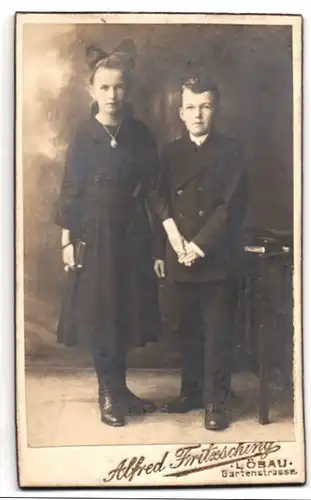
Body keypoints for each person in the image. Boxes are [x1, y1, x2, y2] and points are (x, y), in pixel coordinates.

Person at [55, 40, 162, 427]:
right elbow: (71, 189)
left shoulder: (140, 134)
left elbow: (153, 186)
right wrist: (67, 239)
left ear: (127, 90)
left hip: (132, 231)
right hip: (95, 234)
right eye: (104, 87)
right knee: (102, 313)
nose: (112, 95)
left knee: (125, 310)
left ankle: (121, 388)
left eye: (118, 87)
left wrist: (159, 239)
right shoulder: (84, 136)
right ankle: (106, 393)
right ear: (92, 90)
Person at [153, 74, 248, 430]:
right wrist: (172, 241)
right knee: (185, 326)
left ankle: (215, 402)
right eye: (191, 107)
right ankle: (191, 391)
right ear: (180, 113)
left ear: (216, 109)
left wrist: (198, 245)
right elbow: (158, 198)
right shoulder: (170, 153)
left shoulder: (232, 151)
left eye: (205, 106)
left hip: (216, 254)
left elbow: (230, 206)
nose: (198, 115)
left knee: (216, 330)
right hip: (178, 251)